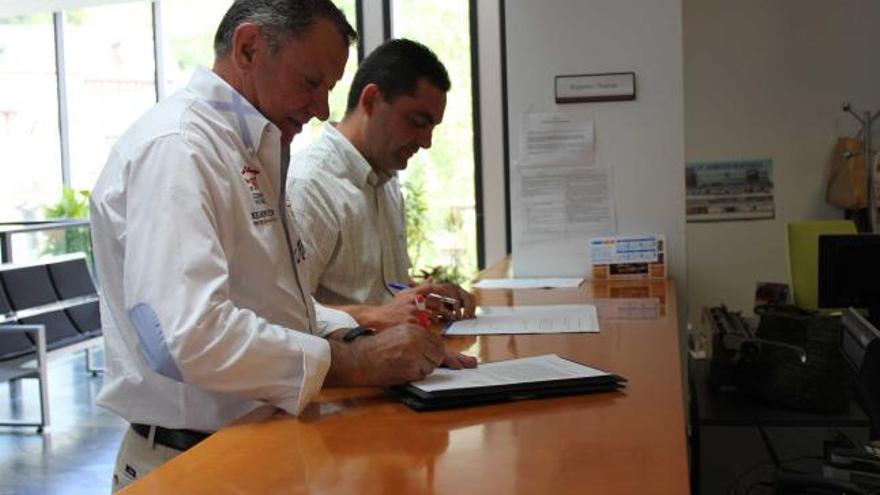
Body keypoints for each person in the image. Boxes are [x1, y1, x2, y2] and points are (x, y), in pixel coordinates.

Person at [90, 2, 448, 491]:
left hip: (255, 445)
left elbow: (282, 308)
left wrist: (383, 343)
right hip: (191, 459)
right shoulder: (179, 148)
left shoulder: (254, 150)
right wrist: (355, 362)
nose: (322, 109)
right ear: (249, 47)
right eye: (311, 82)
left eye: (329, 89)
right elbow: (186, 340)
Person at [289, 39, 477, 334]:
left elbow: (384, 293)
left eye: (432, 128)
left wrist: (430, 298)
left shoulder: (386, 181)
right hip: (346, 376)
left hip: (399, 363)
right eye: (417, 121)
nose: (427, 142)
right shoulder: (310, 186)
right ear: (372, 100)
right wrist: (376, 315)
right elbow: (286, 314)